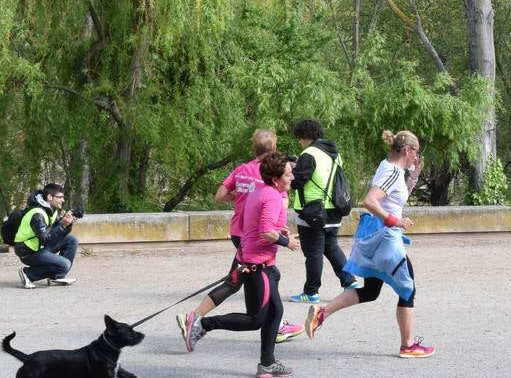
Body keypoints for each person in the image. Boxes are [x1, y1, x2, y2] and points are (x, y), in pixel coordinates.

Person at [303, 129, 434, 359]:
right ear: (407, 150)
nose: (416, 157)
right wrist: (395, 221)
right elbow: (370, 201)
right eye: (416, 152)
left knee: (371, 291)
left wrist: (413, 178)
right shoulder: (393, 172)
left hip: (375, 237)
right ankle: (408, 345)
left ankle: (322, 313)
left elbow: (395, 197)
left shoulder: (389, 167)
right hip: (386, 238)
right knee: (407, 287)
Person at [177, 131, 302, 346]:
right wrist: (284, 236)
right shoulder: (271, 175)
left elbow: (220, 196)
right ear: (273, 150)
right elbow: (272, 218)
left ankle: (274, 320)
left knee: (250, 278)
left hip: (238, 231)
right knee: (242, 280)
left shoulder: (243, 169)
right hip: (255, 236)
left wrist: (241, 198)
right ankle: (196, 319)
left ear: (254, 149)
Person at [287, 118, 357, 303]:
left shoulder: (309, 153)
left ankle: (311, 292)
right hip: (334, 209)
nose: (299, 143)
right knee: (331, 247)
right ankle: (350, 281)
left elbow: (297, 182)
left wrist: (292, 170)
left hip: (314, 211)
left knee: (313, 253)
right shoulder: (334, 153)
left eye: (300, 139)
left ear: (304, 137)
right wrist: (299, 164)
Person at [14, 183, 79, 289]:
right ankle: (28, 273)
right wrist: (62, 225)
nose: (63, 200)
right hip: (29, 252)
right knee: (65, 264)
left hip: (40, 247)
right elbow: (45, 239)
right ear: (50, 197)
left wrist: (67, 224)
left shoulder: (51, 211)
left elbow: (55, 233)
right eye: (60, 197)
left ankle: (56, 277)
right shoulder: (37, 214)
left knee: (71, 240)